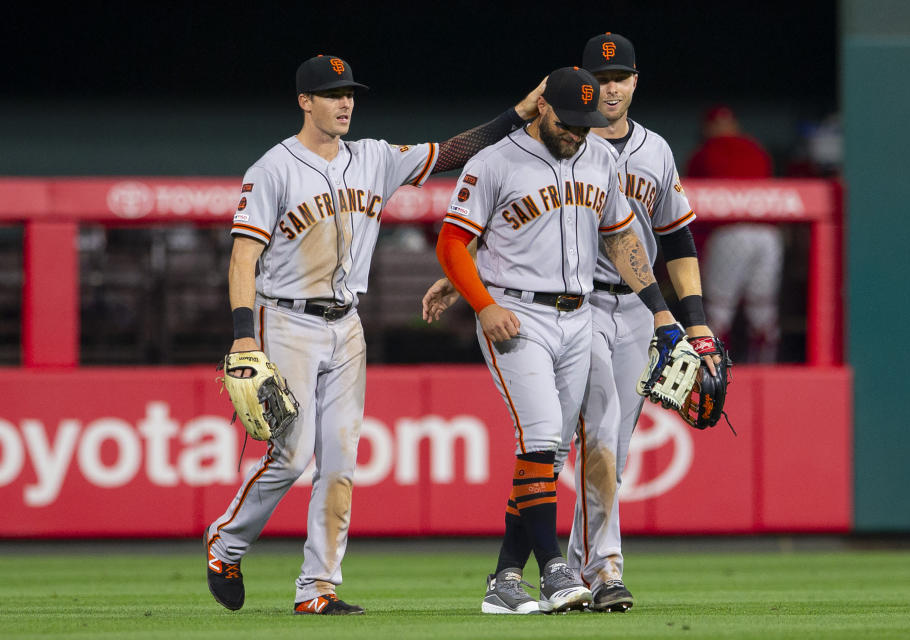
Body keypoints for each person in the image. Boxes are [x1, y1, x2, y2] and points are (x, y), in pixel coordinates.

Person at [203, 53, 543, 616]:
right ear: (304, 101)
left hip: (347, 324)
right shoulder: (273, 168)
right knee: (290, 456)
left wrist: (517, 113)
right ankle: (227, 542)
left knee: (339, 463)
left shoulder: (375, 159)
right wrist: (243, 335)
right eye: (332, 93)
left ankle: (317, 589)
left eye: (350, 93)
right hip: (285, 318)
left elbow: (451, 152)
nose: (344, 103)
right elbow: (244, 256)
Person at [423, 33, 721, 614]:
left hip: (595, 307)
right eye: (581, 107)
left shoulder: (616, 154)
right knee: (546, 440)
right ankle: (558, 569)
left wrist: (673, 315)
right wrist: (477, 293)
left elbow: (629, 235)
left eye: (618, 81)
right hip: (525, 312)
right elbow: (461, 238)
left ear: (636, 81)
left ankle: (533, 574)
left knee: (585, 444)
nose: (586, 124)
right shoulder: (499, 159)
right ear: (548, 104)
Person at [686, 104, 782, 363]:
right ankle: (766, 367)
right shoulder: (756, 149)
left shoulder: (703, 153)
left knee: (719, 311)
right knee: (762, 310)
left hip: (730, 234)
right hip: (767, 235)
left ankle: (712, 369)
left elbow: (690, 209)